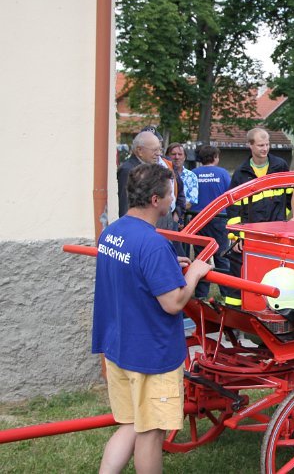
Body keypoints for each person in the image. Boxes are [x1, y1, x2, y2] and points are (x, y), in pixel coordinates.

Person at [92, 164, 212, 473]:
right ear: (156, 199)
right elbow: (173, 303)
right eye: (171, 194)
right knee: (151, 432)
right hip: (151, 354)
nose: (174, 199)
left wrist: (169, 265)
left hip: (118, 346)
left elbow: (137, 272)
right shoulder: (154, 244)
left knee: (131, 424)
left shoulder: (111, 232)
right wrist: (195, 274)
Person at [226, 128, 291, 306]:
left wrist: (283, 218)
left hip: (275, 233)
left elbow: (290, 196)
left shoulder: (280, 166)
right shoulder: (241, 173)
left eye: (267, 144)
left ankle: (271, 308)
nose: (265, 149)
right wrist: (236, 236)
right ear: (250, 145)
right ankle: (235, 314)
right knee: (241, 273)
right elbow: (233, 208)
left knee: (274, 273)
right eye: (261, 145)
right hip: (251, 234)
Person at [192, 145, 234, 301]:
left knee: (201, 257)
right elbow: (231, 194)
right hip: (219, 218)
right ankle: (227, 293)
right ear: (215, 157)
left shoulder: (194, 173)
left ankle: (201, 294)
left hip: (198, 219)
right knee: (221, 255)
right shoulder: (222, 173)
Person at [117, 131, 162, 217]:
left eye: (160, 149)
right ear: (139, 150)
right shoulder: (128, 171)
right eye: (155, 150)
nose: (158, 154)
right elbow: (124, 205)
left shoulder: (146, 167)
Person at [166, 142, 198, 213]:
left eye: (180, 154)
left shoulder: (191, 176)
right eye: (173, 154)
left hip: (182, 216)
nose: (177, 157)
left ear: (185, 157)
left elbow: (191, 202)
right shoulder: (160, 174)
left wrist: (176, 212)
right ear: (167, 156)